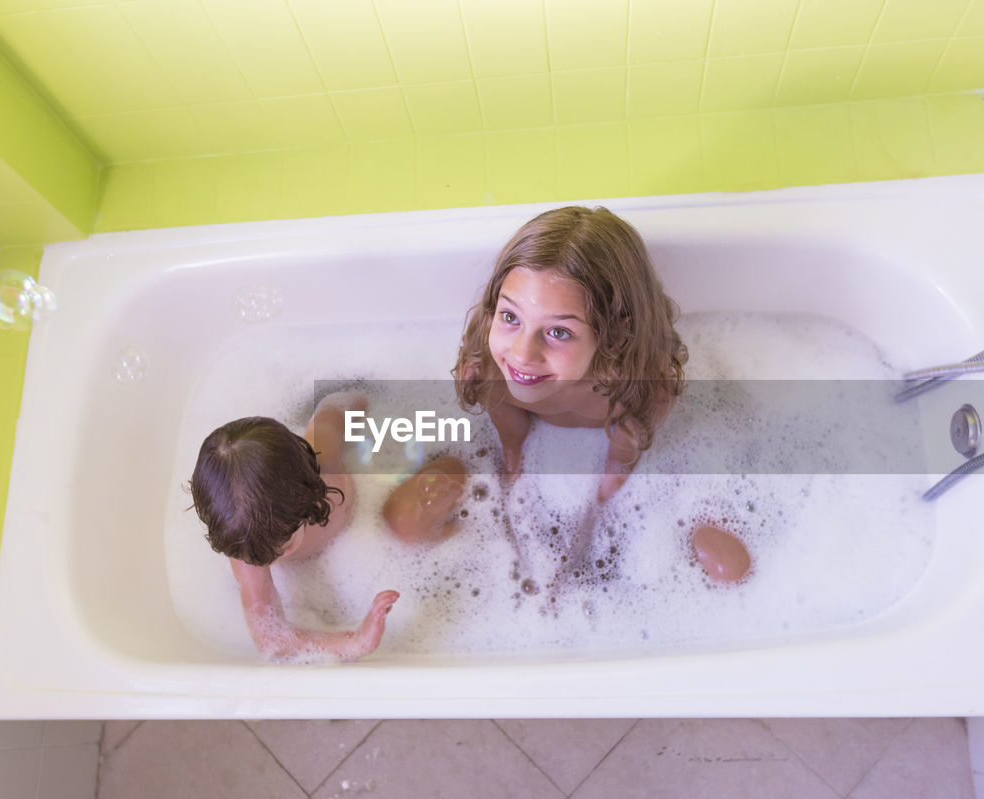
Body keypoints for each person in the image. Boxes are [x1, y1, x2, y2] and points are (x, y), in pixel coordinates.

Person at [453, 206, 688, 502]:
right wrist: (513, 448)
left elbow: (630, 438)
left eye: (558, 332)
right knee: (510, 435)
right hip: (523, 435)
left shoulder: (641, 382)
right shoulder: (489, 368)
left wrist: (614, 472)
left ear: (615, 336)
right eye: (511, 317)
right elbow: (505, 411)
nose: (522, 354)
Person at [189, 396, 398, 662]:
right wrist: (356, 642)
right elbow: (273, 641)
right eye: (257, 557)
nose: (263, 561)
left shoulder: (325, 449)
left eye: (278, 549)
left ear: (310, 493)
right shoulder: (245, 546)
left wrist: (367, 402)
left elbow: (340, 408)